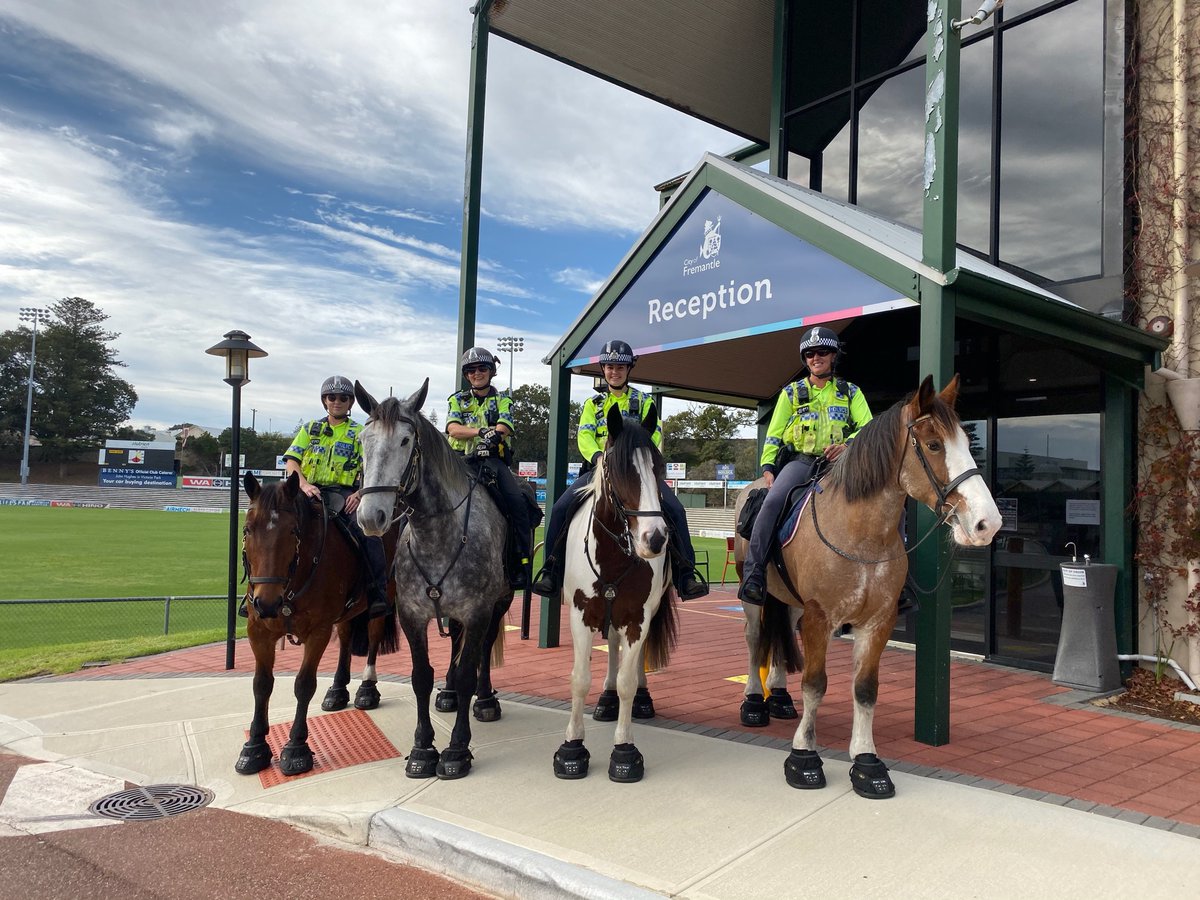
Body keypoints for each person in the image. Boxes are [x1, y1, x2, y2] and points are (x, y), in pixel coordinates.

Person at [532, 339, 709, 601]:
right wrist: (599, 457)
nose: (614, 372)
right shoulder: (592, 405)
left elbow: (655, 435)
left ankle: (686, 575)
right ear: (603, 369)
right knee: (559, 508)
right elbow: (585, 436)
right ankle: (551, 570)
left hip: (637, 472)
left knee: (676, 509)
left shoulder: (645, 401)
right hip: (601, 468)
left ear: (629, 370)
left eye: (620, 367)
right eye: (610, 367)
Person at [739, 327, 875, 606]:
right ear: (805, 359)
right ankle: (754, 574)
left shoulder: (851, 393)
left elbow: (868, 427)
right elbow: (773, 435)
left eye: (822, 352)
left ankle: (897, 580)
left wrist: (848, 446)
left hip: (840, 465)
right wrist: (768, 468)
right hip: (801, 462)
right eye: (810, 354)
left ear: (833, 355)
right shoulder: (791, 393)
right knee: (773, 501)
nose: (816, 358)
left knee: (879, 498)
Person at [278, 375, 390, 618]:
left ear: (350, 403)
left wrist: (360, 493)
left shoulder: (361, 433)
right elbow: (292, 461)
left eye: (343, 398)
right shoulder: (310, 429)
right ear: (324, 401)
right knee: (270, 528)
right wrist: (305, 485)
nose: (337, 401)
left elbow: (373, 468)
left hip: (343, 494)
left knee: (369, 535)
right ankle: (255, 593)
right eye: (332, 397)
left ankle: (377, 592)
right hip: (309, 492)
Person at [446, 346, 535, 589]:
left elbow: (504, 425)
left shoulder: (504, 400)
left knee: (517, 503)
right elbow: (453, 428)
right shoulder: (457, 400)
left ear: (491, 371)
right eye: (472, 370)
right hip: (459, 462)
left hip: (492, 463)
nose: (477, 373)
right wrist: (482, 431)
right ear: (466, 375)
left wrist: (494, 435)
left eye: (482, 368)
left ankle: (521, 563)